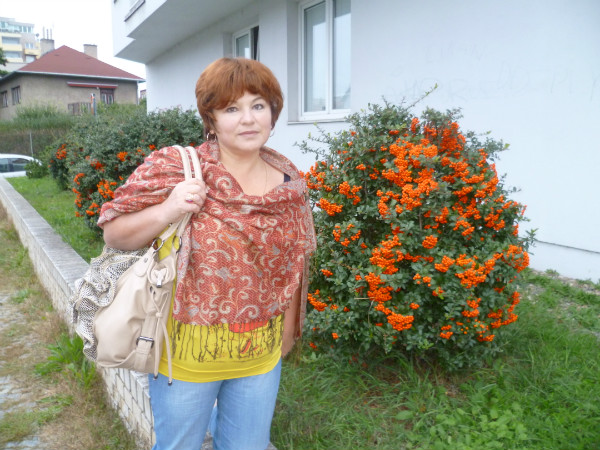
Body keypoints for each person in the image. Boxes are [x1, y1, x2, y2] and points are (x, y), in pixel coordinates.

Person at [98, 57, 316, 450]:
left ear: (273, 113)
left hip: (259, 356)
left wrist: (286, 337)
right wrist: (169, 208)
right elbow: (114, 232)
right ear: (210, 119)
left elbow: (294, 263)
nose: (247, 119)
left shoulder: (289, 182)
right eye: (231, 108)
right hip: (185, 359)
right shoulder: (179, 168)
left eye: (258, 105)